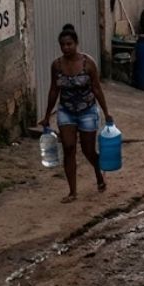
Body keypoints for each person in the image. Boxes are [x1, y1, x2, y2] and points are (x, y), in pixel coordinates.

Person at [39, 24, 110, 203]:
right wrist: (47, 115)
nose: (66, 48)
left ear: (76, 43)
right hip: (66, 111)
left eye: (69, 44)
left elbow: (97, 89)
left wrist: (106, 113)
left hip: (87, 111)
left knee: (88, 150)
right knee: (69, 148)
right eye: (63, 45)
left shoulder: (88, 63)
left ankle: (98, 173)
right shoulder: (56, 65)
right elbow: (54, 90)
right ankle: (72, 191)